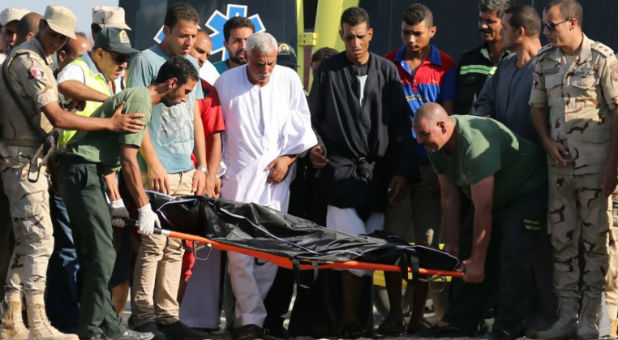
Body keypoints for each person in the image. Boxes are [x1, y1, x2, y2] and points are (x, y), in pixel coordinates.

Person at [0, 5, 144, 340]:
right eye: (53, 34)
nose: (57, 43)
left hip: (31, 159)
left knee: (28, 242)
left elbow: (54, 113)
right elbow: (58, 118)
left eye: (63, 38)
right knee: (40, 240)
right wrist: (109, 121)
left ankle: (12, 319)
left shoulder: (40, 60)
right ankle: (35, 322)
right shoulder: (30, 61)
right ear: (40, 30)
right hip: (22, 160)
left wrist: (66, 110)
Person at [57, 56, 198, 340]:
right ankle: (93, 330)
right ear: (172, 83)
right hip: (83, 173)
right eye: (184, 92)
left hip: (90, 174)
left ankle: (110, 326)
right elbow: (129, 159)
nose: (184, 100)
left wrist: (116, 201)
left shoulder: (137, 98)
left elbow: (110, 156)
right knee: (102, 254)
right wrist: (145, 207)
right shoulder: (140, 101)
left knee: (99, 253)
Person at [308, 7, 417, 338]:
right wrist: (313, 149)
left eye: (360, 36)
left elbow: (400, 125)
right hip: (341, 173)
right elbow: (312, 120)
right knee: (348, 249)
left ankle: (384, 319)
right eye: (349, 37)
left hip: (379, 174)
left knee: (381, 249)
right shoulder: (327, 71)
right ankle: (349, 320)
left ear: (370, 35)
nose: (355, 43)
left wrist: (401, 172)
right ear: (342, 36)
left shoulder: (387, 71)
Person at [214, 31, 317, 340]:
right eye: (260, 64)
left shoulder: (287, 79)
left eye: (271, 63)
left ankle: (252, 320)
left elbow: (301, 125)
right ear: (246, 56)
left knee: (271, 250)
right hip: (237, 179)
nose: (266, 70)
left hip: (276, 180)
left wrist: (288, 159)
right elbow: (217, 135)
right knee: (238, 252)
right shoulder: (226, 83)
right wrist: (215, 174)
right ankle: (248, 321)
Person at [414, 103, 547, 339]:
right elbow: (449, 196)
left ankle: (508, 327)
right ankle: (459, 322)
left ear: (443, 126)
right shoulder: (435, 147)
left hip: (525, 189)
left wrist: (478, 260)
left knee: (511, 255)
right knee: (464, 253)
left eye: (424, 135)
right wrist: (453, 246)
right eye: (417, 135)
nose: (420, 142)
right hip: (492, 198)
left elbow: (483, 207)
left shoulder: (473, 142)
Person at [529, 0, 618, 338]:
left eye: (551, 25)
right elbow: (536, 107)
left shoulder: (602, 58)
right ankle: (567, 316)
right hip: (559, 170)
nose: (546, 31)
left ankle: (591, 319)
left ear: (572, 23)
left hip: (596, 170)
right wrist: (547, 143)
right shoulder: (544, 60)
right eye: (543, 25)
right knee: (562, 242)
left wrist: (613, 166)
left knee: (596, 243)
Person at [474, 5, 558, 337]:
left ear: (520, 32)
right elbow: (484, 104)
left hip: (539, 176)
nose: (499, 33)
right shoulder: (505, 66)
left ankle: (542, 317)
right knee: (507, 250)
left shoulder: (549, 66)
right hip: (501, 176)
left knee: (536, 250)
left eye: (505, 28)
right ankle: (513, 318)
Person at [127, 3, 209, 340]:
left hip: (185, 169)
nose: (189, 42)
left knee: (177, 246)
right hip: (155, 169)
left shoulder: (190, 65)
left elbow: (196, 116)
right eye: (183, 35)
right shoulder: (145, 61)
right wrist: (153, 163)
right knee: (152, 244)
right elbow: (137, 110)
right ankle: (143, 316)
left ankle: (168, 316)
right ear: (166, 30)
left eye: (193, 35)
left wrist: (202, 167)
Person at [381, 4, 456, 335]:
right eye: (405, 33)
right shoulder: (388, 63)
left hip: (431, 169)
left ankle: (417, 316)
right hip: (397, 167)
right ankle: (395, 315)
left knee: (426, 245)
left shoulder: (446, 66)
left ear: (432, 32)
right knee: (395, 243)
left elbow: (449, 124)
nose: (411, 39)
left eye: (418, 33)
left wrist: (445, 173)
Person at [453, 0, 511, 115]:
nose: (483, 26)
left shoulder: (516, 61)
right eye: (481, 20)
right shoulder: (467, 60)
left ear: (505, 23)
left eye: (489, 21)